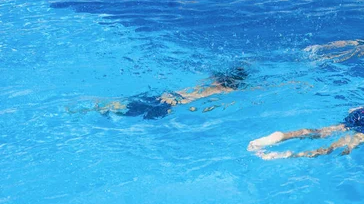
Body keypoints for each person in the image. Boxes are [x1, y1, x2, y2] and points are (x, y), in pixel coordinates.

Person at [72, 67, 249, 119]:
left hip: (163, 96)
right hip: (168, 105)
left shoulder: (207, 82)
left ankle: (89, 106)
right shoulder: (225, 91)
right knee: (128, 112)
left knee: (125, 104)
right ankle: (92, 108)